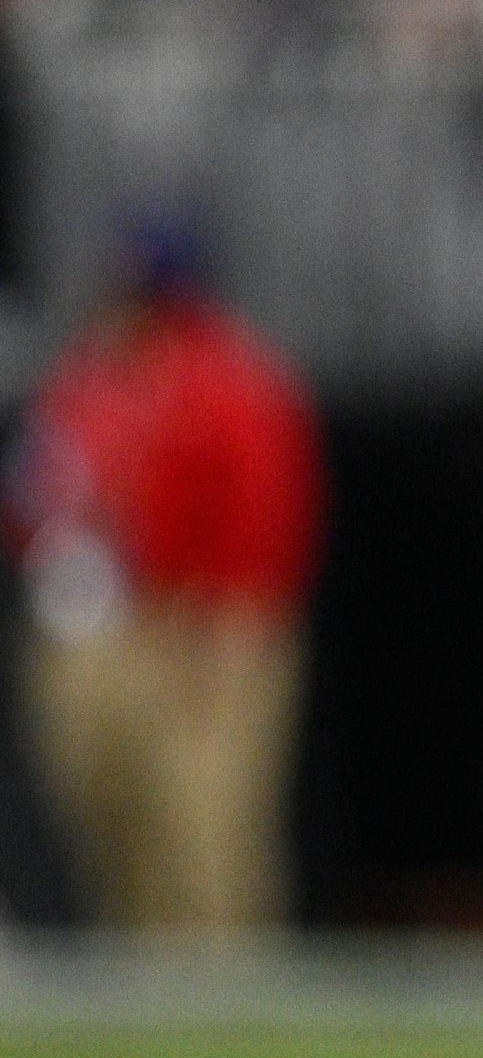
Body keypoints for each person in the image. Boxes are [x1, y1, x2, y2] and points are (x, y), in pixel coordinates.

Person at [4, 215, 323, 929]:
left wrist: (221, 620)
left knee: (206, 834)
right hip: (105, 628)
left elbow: (266, 513)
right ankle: (144, 1009)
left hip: (202, 626)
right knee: (119, 835)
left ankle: (229, 1012)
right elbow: (39, 489)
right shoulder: (90, 377)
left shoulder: (231, 381)